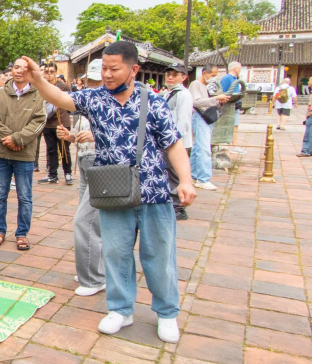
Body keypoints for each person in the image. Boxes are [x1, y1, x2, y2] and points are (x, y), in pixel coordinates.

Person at [25, 40, 196, 344]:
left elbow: (173, 143)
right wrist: (38, 79)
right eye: (104, 68)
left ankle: (167, 313)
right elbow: (61, 98)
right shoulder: (95, 98)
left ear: (133, 69)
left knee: (159, 255)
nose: (106, 74)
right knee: (116, 254)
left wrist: (185, 180)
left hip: (153, 191)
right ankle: (120, 309)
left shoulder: (154, 102)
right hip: (112, 191)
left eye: (114, 69)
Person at [0, 56, 47, 251]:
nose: (19, 71)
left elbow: (39, 121)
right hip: (1, 153)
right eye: (16, 67)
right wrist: (9, 139)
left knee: (25, 197)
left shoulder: (38, 95)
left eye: (24, 68)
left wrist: (18, 139)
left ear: (29, 71)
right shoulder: (0, 93)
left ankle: (22, 233)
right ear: (12, 70)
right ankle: (0, 230)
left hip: (25, 155)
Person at [57, 58, 104, 296]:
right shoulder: (86, 104)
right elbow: (77, 136)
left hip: (101, 165)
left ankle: (94, 277)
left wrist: (96, 137)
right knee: (89, 220)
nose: (92, 85)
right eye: (90, 81)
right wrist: (69, 136)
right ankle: (90, 267)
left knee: (86, 221)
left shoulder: (109, 104)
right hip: (85, 162)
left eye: (97, 81)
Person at [189, 66, 229, 190]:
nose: (214, 78)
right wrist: (216, 98)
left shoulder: (207, 86)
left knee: (198, 147)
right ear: (205, 73)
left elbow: (209, 102)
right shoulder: (195, 84)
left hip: (207, 116)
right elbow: (196, 102)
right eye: (212, 75)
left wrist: (219, 101)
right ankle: (203, 178)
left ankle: (194, 175)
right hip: (199, 116)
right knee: (204, 148)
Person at [162, 63, 194, 220]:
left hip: (177, 142)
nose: (170, 77)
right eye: (168, 74)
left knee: (175, 174)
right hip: (168, 141)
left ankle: (178, 207)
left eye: (174, 75)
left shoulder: (184, 95)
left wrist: (175, 140)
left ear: (183, 77)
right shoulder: (169, 94)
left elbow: (184, 121)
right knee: (168, 172)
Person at [39, 63, 73, 185]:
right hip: (48, 123)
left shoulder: (63, 86)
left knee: (64, 150)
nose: (49, 75)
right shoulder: (42, 87)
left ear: (56, 73)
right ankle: (52, 174)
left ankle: (68, 173)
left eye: (51, 72)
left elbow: (71, 102)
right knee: (51, 150)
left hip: (61, 122)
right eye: (46, 72)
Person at [219, 61, 244, 129]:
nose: (240, 70)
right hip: (229, 105)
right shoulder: (227, 78)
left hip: (235, 104)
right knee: (232, 125)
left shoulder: (235, 78)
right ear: (235, 69)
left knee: (235, 125)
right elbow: (223, 91)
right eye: (239, 68)